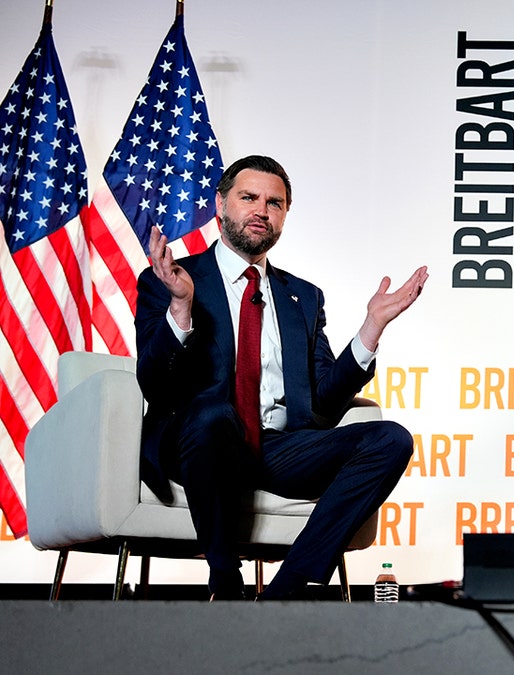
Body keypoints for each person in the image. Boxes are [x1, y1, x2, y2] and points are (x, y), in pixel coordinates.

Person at [135, 154, 429, 600]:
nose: (261, 210)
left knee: (391, 439)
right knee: (214, 415)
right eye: (248, 197)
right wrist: (180, 308)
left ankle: (289, 588)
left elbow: (323, 404)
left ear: (284, 216)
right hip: (202, 442)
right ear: (220, 205)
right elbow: (155, 383)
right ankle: (225, 580)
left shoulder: (303, 297)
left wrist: (370, 328)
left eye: (275, 203)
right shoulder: (174, 278)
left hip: (275, 447)